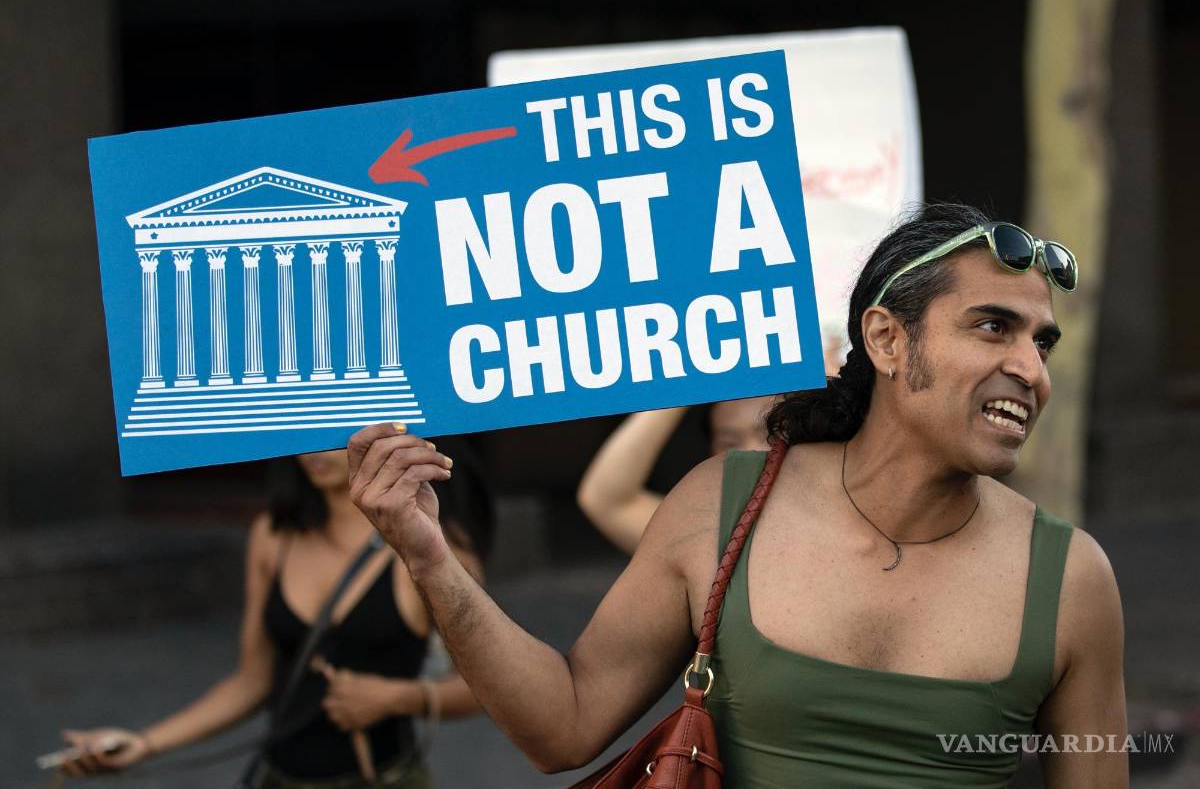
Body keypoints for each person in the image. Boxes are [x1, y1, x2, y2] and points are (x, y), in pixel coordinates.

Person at [346, 203, 1128, 787]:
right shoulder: (723, 504)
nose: (1031, 369)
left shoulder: (1071, 580)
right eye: (993, 327)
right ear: (888, 340)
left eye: (1041, 341)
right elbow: (563, 726)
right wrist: (431, 559)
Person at [59, 438, 491, 788]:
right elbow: (253, 680)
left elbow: (488, 687)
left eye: (334, 432)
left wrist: (397, 697)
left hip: (381, 779)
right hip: (277, 778)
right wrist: (143, 743)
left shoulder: (429, 545)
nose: (311, 449)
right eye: (302, 429)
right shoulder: (274, 534)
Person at [576, 399, 774, 553]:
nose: (750, 453)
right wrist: (683, 382)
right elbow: (608, 500)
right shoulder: (710, 537)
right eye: (729, 442)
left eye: (769, 433)